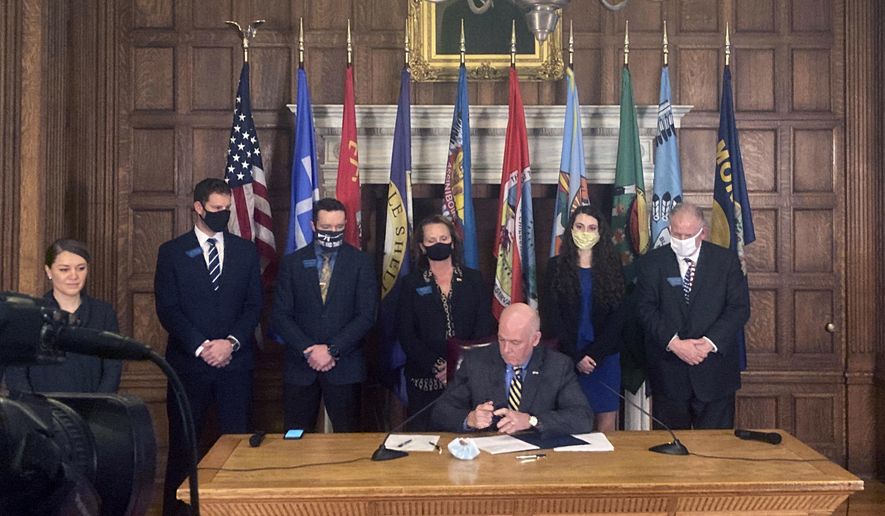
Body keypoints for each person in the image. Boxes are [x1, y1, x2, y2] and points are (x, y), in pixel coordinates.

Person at [155, 178, 262, 514]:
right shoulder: (172, 252)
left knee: (238, 446)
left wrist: (230, 343)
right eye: (217, 209)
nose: (223, 214)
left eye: (227, 209)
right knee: (184, 448)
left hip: (236, 364)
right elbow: (168, 309)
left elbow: (253, 306)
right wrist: (202, 347)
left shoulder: (246, 251)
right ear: (198, 208)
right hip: (189, 367)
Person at [635, 202, 750, 429]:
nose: (682, 239)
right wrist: (675, 344)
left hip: (715, 373)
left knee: (715, 453)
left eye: (688, 235)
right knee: (669, 453)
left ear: (702, 232)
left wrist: (707, 344)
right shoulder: (652, 262)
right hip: (669, 375)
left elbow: (739, 308)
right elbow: (644, 309)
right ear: (668, 229)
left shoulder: (725, 262)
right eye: (676, 233)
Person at [272, 198, 377, 433]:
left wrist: (332, 350)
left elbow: (366, 315)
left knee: (349, 441)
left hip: (345, 366)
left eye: (339, 228)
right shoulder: (292, 263)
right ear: (312, 226)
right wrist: (310, 349)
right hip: (300, 366)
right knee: (294, 438)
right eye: (326, 228)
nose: (333, 232)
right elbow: (280, 314)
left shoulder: (361, 263)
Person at [432, 303, 593, 435]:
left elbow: (582, 418)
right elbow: (441, 411)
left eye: (515, 342)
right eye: (502, 339)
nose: (506, 349)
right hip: (487, 461)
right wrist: (470, 419)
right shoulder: (476, 362)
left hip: (538, 461)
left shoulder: (557, 366)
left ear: (535, 339)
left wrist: (532, 421)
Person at [397, 215, 495, 431]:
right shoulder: (410, 284)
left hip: (469, 374)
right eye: (431, 241)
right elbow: (406, 333)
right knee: (423, 440)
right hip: (425, 377)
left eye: (443, 238)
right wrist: (437, 365)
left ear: (452, 241)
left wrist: (458, 364)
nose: (439, 244)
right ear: (422, 247)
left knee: (467, 435)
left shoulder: (473, 279)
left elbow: (484, 326)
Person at [541, 205, 626, 433]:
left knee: (605, 420)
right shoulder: (555, 267)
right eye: (579, 227)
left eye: (591, 228)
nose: (585, 232)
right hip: (567, 356)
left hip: (604, 356)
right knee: (570, 419)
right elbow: (552, 316)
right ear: (571, 230)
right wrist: (576, 356)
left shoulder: (613, 266)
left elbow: (618, 317)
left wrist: (595, 354)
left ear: (600, 233)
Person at [3, 239, 122, 393]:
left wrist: (98, 407)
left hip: (93, 410)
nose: (74, 276)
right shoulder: (27, 314)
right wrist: (35, 411)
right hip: (40, 411)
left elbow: (112, 369)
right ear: (48, 271)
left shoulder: (103, 313)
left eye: (80, 268)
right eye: (64, 269)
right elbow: (16, 374)